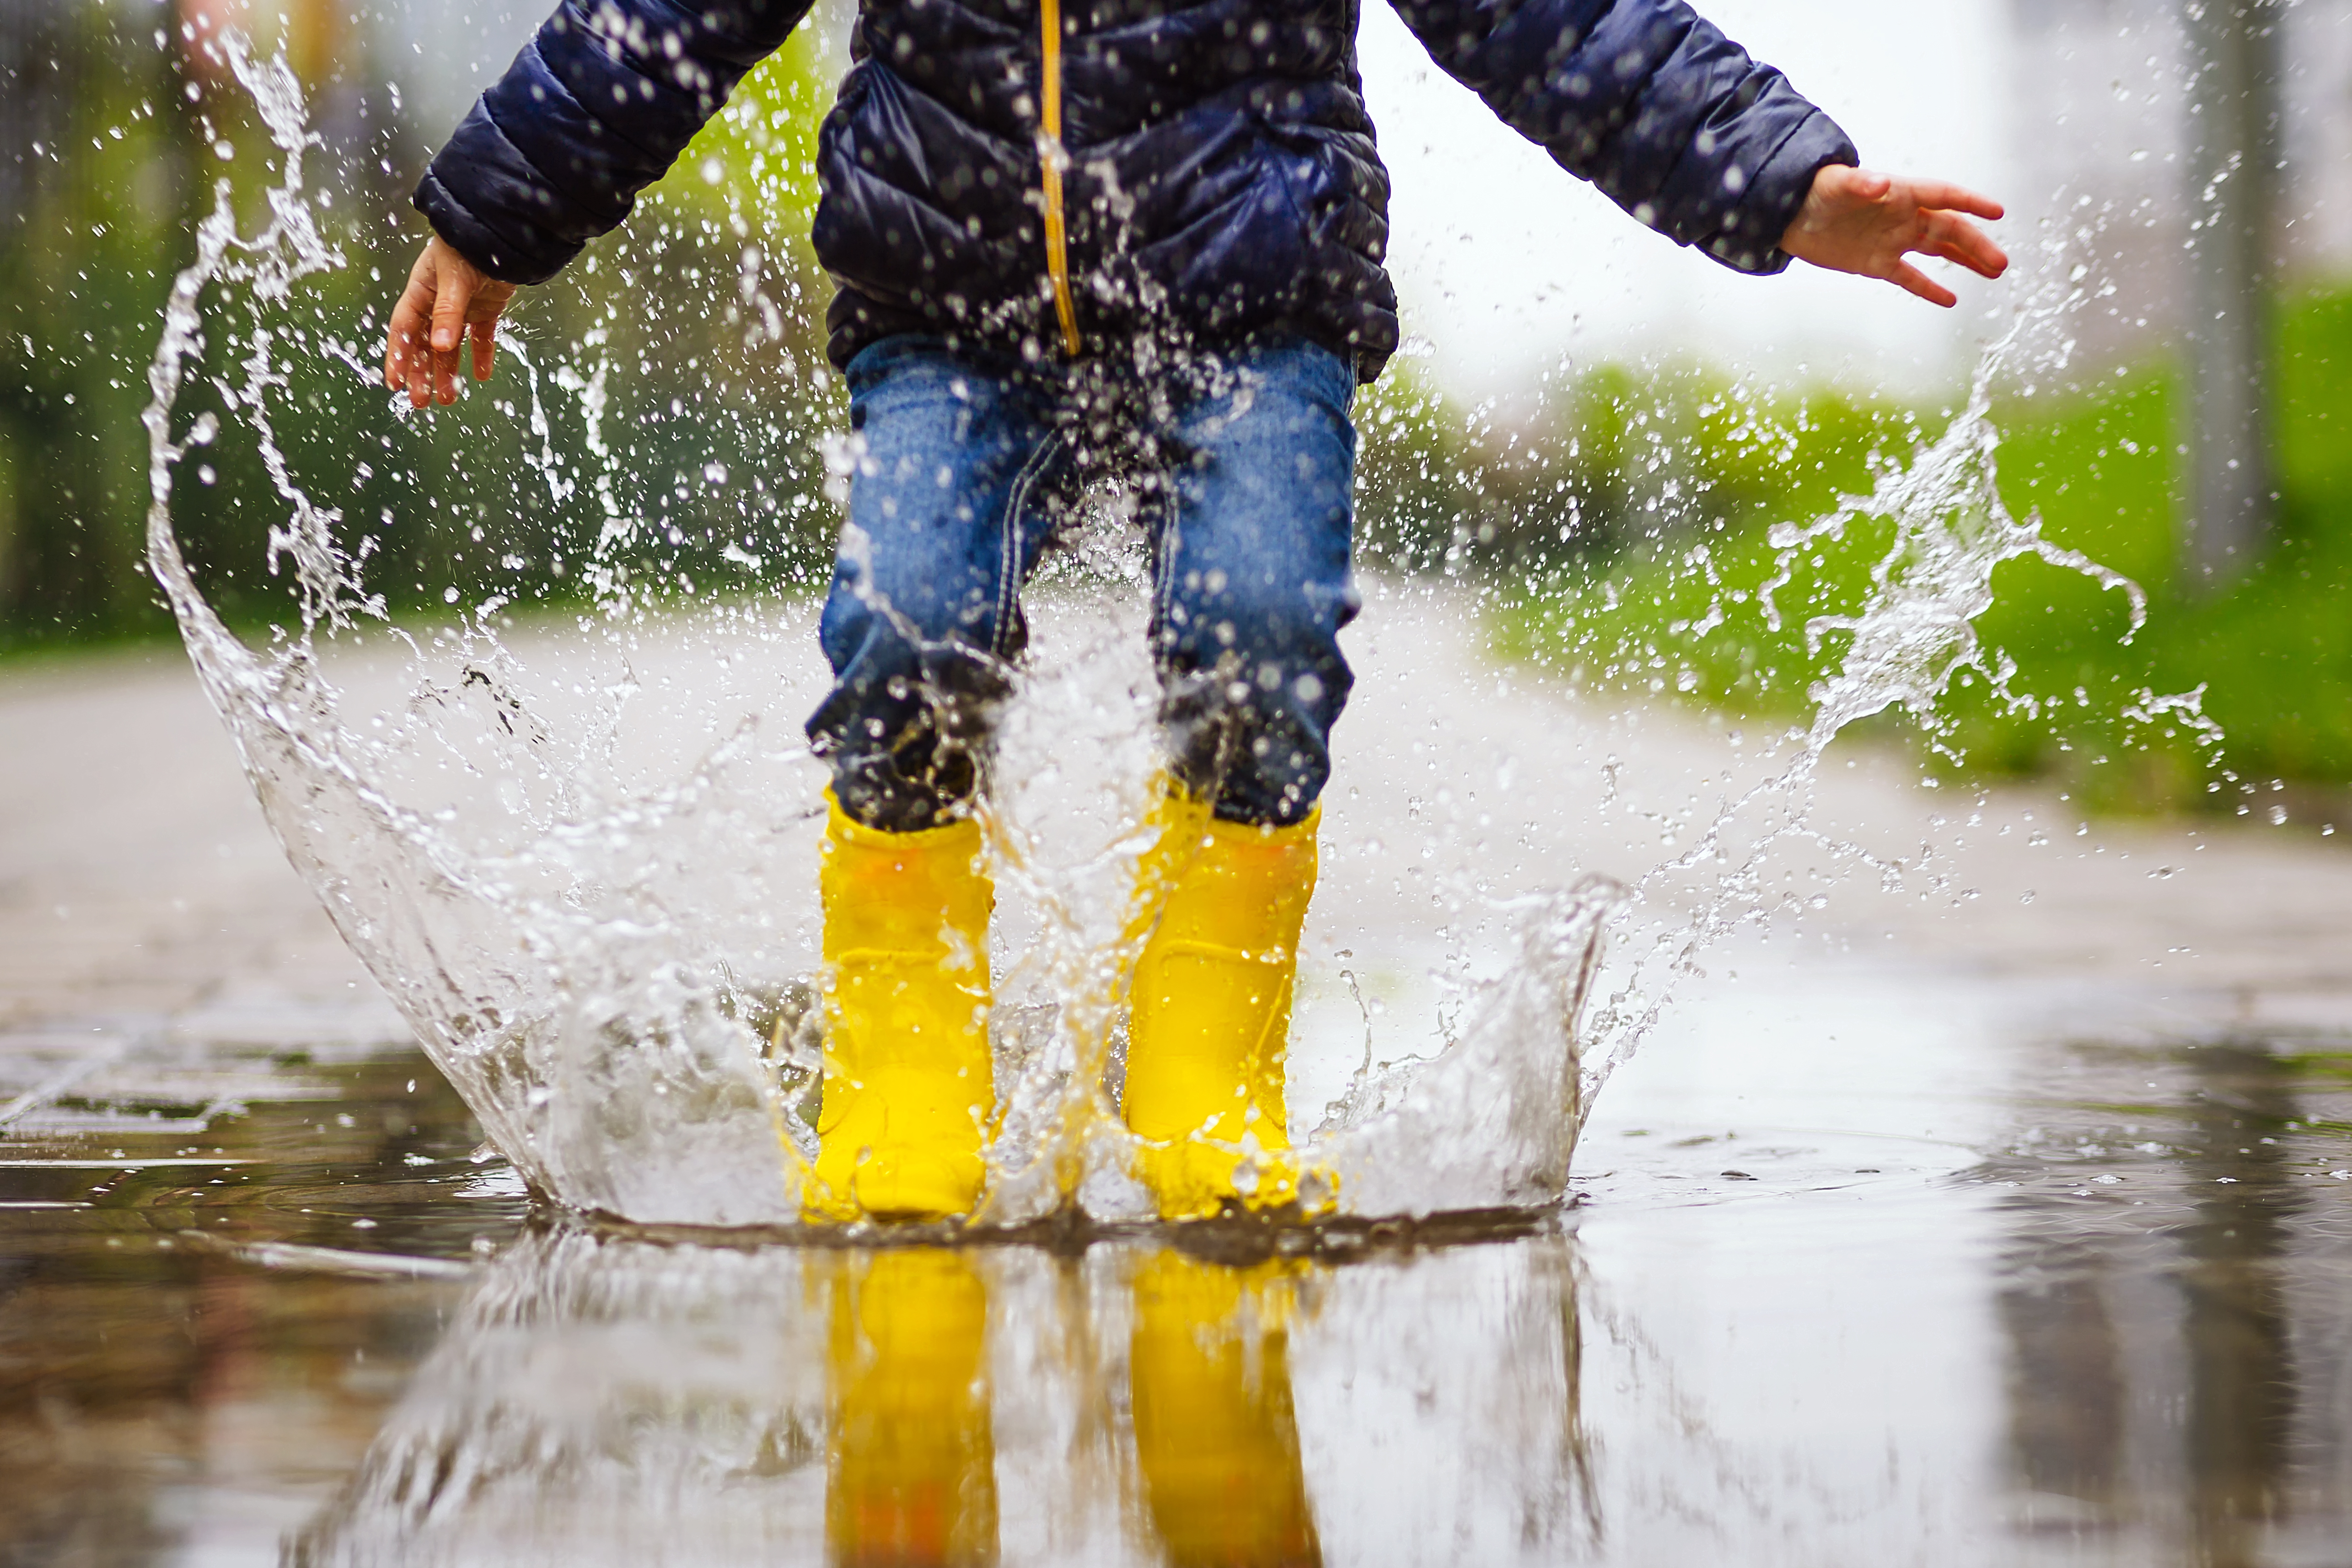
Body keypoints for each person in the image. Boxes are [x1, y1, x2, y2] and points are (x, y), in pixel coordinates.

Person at [382, 0, 2007, 1224]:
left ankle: (1204, 1072)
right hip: (948, 310)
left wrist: (1777, 178)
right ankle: (904, 1070)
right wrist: (497, 209)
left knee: (1261, 637)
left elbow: (1550, 17)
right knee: (911, 637)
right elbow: (671, 14)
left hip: (1251, 307)